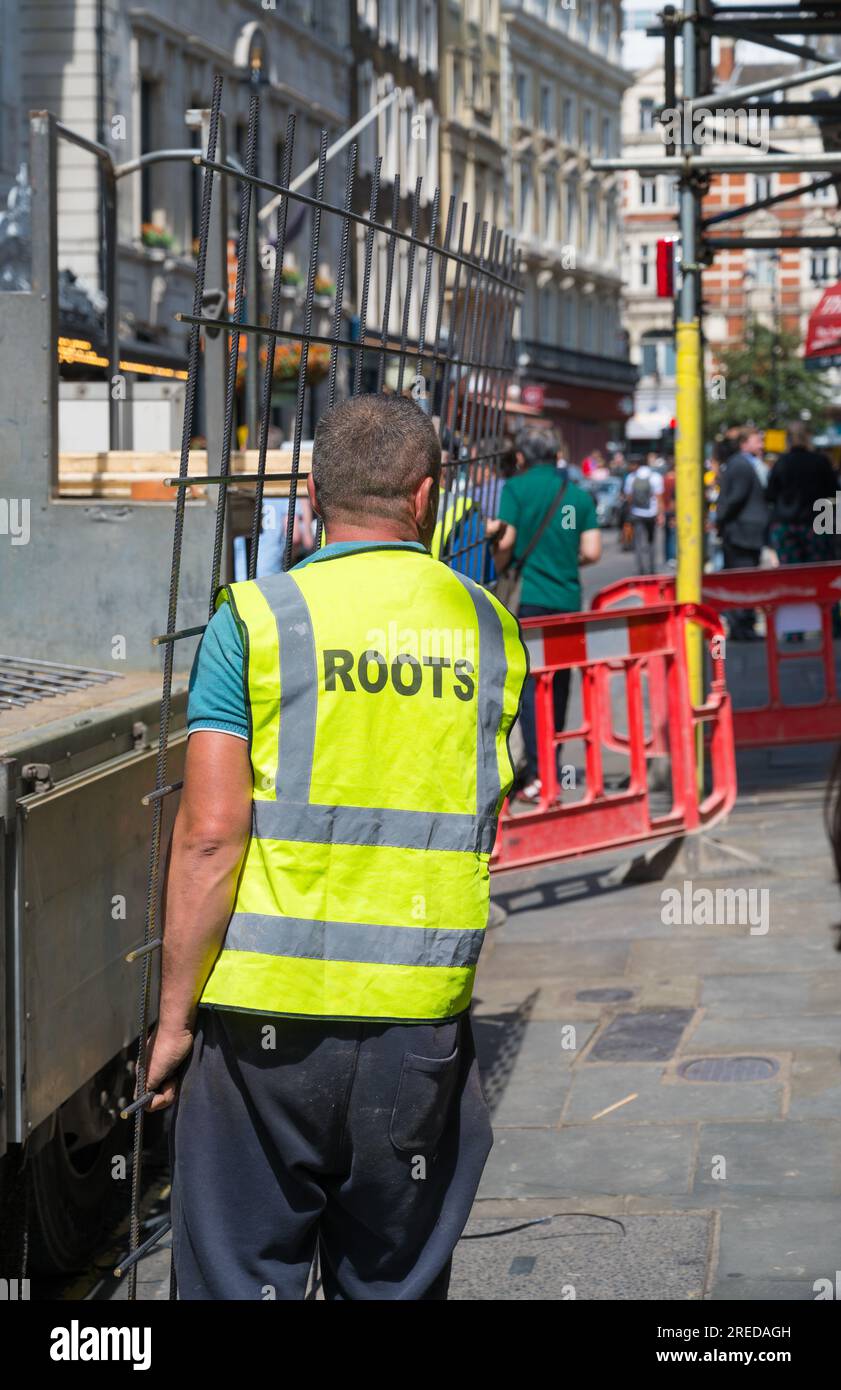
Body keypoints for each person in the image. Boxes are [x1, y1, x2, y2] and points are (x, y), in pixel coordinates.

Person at [146, 394, 528, 1300]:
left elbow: (208, 837)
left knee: (239, 1279)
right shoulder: (488, 628)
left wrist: (171, 1020)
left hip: (263, 1033)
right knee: (393, 1283)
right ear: (427, 497)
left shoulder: (255, 619)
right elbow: (487, 806)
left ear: (314, 491)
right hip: (417, 1029)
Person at [490, 427, 602, 802]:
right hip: (568, 600)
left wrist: (503, 563)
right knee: (561, 686)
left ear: (520, 457)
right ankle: (553, 763)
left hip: (531, 600)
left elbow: (505, 541)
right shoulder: (576, 497)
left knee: (532, 687)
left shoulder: (516, 490)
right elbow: (592, 551)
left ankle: (540, 775)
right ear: (556, 455)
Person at [716, 425, 770, 640]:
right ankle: (742, 626)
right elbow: (734, 499)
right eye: (758, 440)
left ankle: (743, 624)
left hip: (742, 531)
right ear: (744, 443)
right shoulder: (741, 465)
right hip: (742, 533)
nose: (762, 444)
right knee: (743, 581)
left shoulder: (740, 464)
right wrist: (721, 519)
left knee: (743, 579)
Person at [766, 421, 837, 564]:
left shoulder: (781, 462)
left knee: (792, 573)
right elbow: (833, 491)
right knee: (816, 571)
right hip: (816, 524)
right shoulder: (820, 461)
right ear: (808, 437)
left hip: (785, 525)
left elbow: (770, 495)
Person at [623, 455, 664, 574]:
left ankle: (641, 569)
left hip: (637, 513)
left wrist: (631, 510)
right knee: (652, 541)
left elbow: (629, 497)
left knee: (638, 542)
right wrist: (660, 514)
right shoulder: (655, 477)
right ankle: (651, 569)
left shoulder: (631, 477)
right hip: (651, 513)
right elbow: (659, 498)